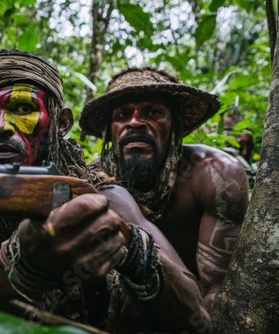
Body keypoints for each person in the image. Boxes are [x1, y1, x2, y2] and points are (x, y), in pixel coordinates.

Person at [0, 51, 211, 333]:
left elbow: (197, 320)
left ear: (62, 123)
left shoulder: (105, 197)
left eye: (22, 108)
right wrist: (15, 272)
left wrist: (130, 247)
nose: (0, 126)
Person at [78, 67, 249, 311]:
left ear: (175, 126)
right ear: (110, 131)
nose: (135, 122)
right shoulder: (93, 180)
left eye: (153, 112)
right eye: (123, 115)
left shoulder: (214, 174)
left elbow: (218, 291)